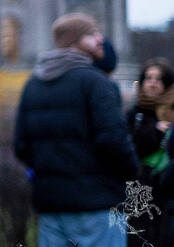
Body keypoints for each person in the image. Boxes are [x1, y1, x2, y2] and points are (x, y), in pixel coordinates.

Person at [14, 13, 139, 247]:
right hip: (96, 203)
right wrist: (131, 172)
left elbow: (22, 146)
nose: (100, 39)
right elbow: (114, 140)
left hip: (51, 205)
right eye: (91, 34)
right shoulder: (97, 83)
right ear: (74, 41)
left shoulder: (33, 84)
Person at [127, 58, 174, 245]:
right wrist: (155, 131)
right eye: (148, 78)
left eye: (158, 79)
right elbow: (130, 146)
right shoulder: (135, 114)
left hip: (168, 188)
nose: (152, 82)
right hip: (140, 187)